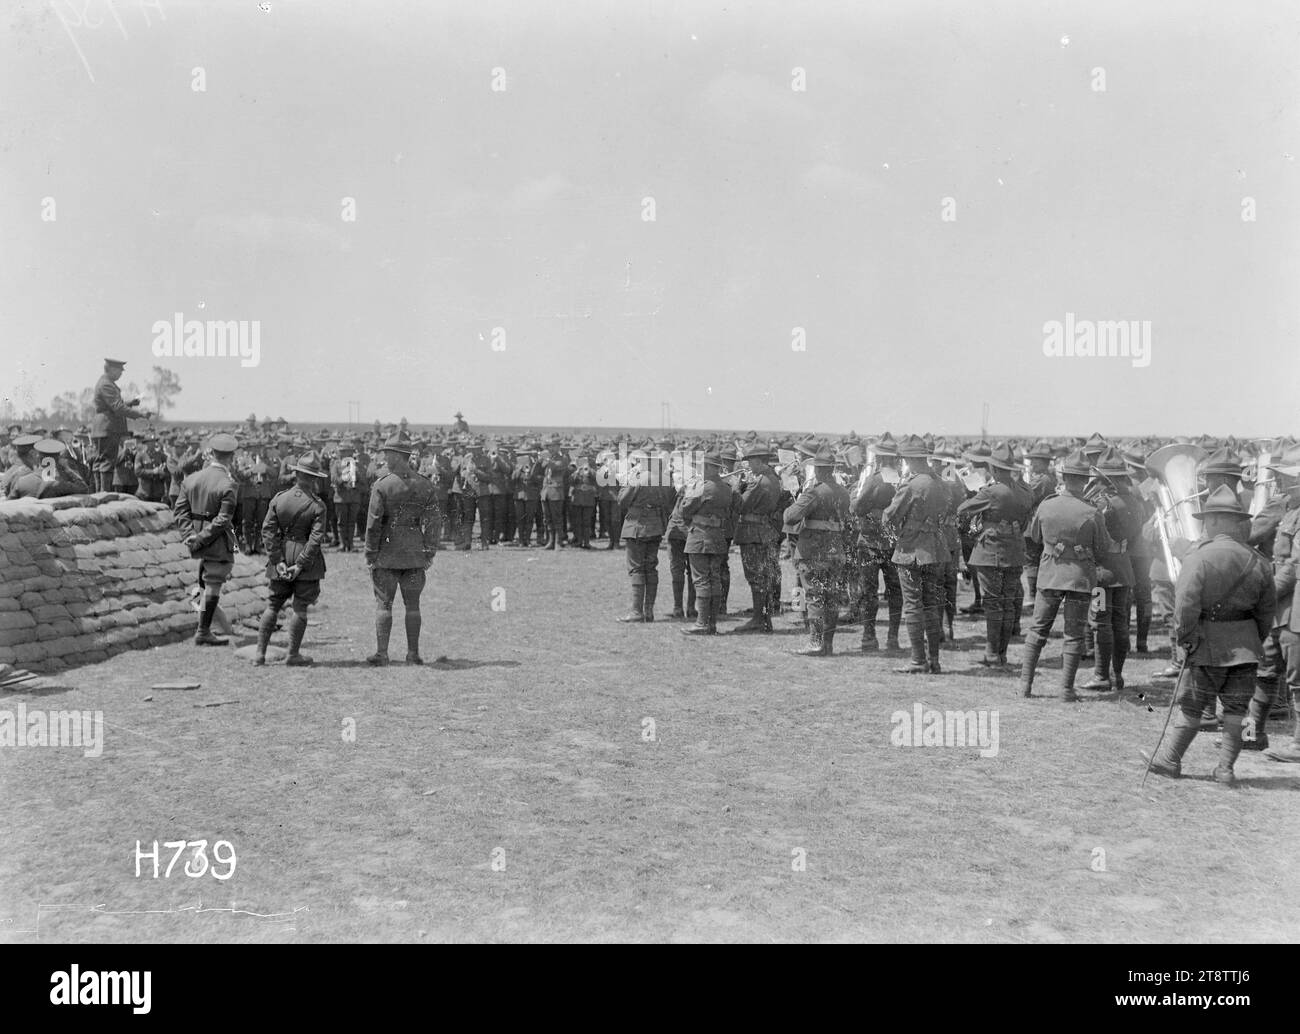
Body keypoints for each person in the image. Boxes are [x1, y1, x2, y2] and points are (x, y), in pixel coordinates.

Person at [1144, 486, 1276, 783]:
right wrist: (1251, 639)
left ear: (1215, 521)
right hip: (1246, 648)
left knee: (1192, 706)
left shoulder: (1200, 557)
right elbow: (1266, 613)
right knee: (1236, 710)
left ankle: (1169, 761)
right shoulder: (1259, 562)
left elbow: (1185, 604)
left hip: (1206, 647)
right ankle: (1226, 770)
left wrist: (1186, 639)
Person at [1018, 449, 1111, 700]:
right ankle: (1066, 690)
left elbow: (1035, 537)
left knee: (1037, 630)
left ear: (1064, 477)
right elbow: (1103, 548)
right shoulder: (1091, 512)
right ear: (1085, 481)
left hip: (1049, 575)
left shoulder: (1047, 505)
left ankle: (1025, 686)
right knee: (1074, 634)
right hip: (1079, 578)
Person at [364, 433, 440, 665]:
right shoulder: (425, 485)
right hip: (415, 553)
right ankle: (413, 654)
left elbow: (373, 523)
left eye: (388, 453)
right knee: (413, 605)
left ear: (398, 456)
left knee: (384, 604)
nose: (385, 457)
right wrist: (429, 551)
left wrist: (370, 553)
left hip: (387, 553)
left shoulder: (382, 485)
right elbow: (435, 523)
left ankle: (382, 653)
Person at [957, 442, 1032, 668]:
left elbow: (963, 509)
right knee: (1008, 603)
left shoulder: (991, 491)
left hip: (991, 550)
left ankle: (991, 654)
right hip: (1015, 550)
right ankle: (1002, 653)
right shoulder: (1025, 491)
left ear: (995, 469)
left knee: (993, 604)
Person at [884, 435, 952, 674]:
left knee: (913, 605)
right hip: (935, 549)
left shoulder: (911, 484)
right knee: (932, 605)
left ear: (909, 459)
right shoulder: (940, 483)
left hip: (911, 550)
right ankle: (934, 660)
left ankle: (917, 660)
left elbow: (889, 515)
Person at [254, 452, 329, 666]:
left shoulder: (279, 498)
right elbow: (315, 539)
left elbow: (267, 530)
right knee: (300, 607)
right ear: (315, 479)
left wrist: (276, 559)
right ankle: (293, 654)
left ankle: (260, 654)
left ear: (295, 474)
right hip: (306, 560)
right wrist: (301, 564)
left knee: (273, 604)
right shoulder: (317, 505)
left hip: (282, 554)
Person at [1079, 446, 1144, 692]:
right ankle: (1117, 676)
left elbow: (1090, 534)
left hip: (1102, 572)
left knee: (1100, 623)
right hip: (1124, 567)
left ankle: (1101, 676)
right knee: (1120, 623)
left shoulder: (1102, 503)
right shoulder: (1134, 502)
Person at [782, 445, 851, 655]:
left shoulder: (814, 491)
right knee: (831, 597)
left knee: (814, 595)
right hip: (835, 550)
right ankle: (827, 644)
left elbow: (789, 516)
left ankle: (816, 643)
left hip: (813, 551)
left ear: (819, 470)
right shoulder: (843, 491)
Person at [174, 433, 240, 646]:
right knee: (212, 585)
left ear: (211, 453)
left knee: (204, 582)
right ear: (230, 457)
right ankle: (203, 631)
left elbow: (180, 511)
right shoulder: (228, 484)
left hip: (196, 541)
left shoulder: (191, 479)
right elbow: (223, 519)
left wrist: (189, 536)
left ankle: (209, 625)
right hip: (217, 543)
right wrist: (202, 538)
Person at [681, 447, 736, 636]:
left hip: (700, 536)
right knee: (714, 579)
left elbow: (684, 510)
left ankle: (702, 623)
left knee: (701, 580)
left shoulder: (702, 487)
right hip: (718, 537)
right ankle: (711, 624)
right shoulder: (726, 488)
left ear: (708, 467)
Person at [617, 446, 675, 622]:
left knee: (636, 568)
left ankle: (636, 612)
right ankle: (648, 611)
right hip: (656, 525)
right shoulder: (664, 479)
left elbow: (622, 500)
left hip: (637, 525)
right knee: (650, 567)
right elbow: (669, 500)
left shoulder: (638, 478)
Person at [731, 443, 783, 634]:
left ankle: (758, 619)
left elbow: (741, 506)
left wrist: (737, 488)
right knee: (764, 577)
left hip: (753, 532)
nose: (749, 466)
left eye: (751, 462)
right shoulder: (774, 478)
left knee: (756, 577)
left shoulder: (759, 481)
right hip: (765, 530)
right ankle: (764, 618)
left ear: (760, 462)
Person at [89, 358, 149, 492]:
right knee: (106, 462)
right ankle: (104, 494)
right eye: (119, 371)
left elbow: (112, 406)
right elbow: (117, 408)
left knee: (100, 461)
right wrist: (140, 414)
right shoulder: (107, 385)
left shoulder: (105, 383)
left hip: (103, 427)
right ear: (110, 369)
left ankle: (100, 493)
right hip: (108, 427)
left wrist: (130, 403)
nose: (121, 374)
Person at [5, 438, 90, 499]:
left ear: (38, 457)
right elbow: (84, 488)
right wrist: (67, 469)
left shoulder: (22, 481)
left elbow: (9, 505)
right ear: (58, 460)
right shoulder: (60, 485)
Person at [331, 441, 365, 552]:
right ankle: (342, 543)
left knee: (351, 522)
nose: (345, 454)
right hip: (341, 497)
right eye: (343, 452)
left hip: (354, 497)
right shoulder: (335, 464)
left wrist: (355, 485)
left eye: (348, 452)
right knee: (341, 522)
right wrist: (345, 479)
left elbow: (363, 482)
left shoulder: (357, 465)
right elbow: (334, 479)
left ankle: (350, 544)